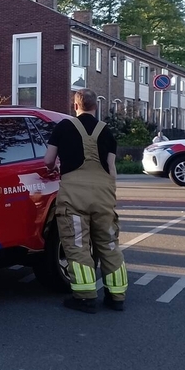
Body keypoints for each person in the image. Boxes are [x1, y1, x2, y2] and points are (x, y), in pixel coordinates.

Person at [44, 88, 127, 313]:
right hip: (103, 194)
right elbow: (111, 168)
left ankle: (85, 297)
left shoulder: (63, 127)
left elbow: (49, 160)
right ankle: (117, 296)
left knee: (78, 244)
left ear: (75, 106)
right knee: (109, 244)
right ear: (95, 106)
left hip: (74, 196)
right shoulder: (106, 131)